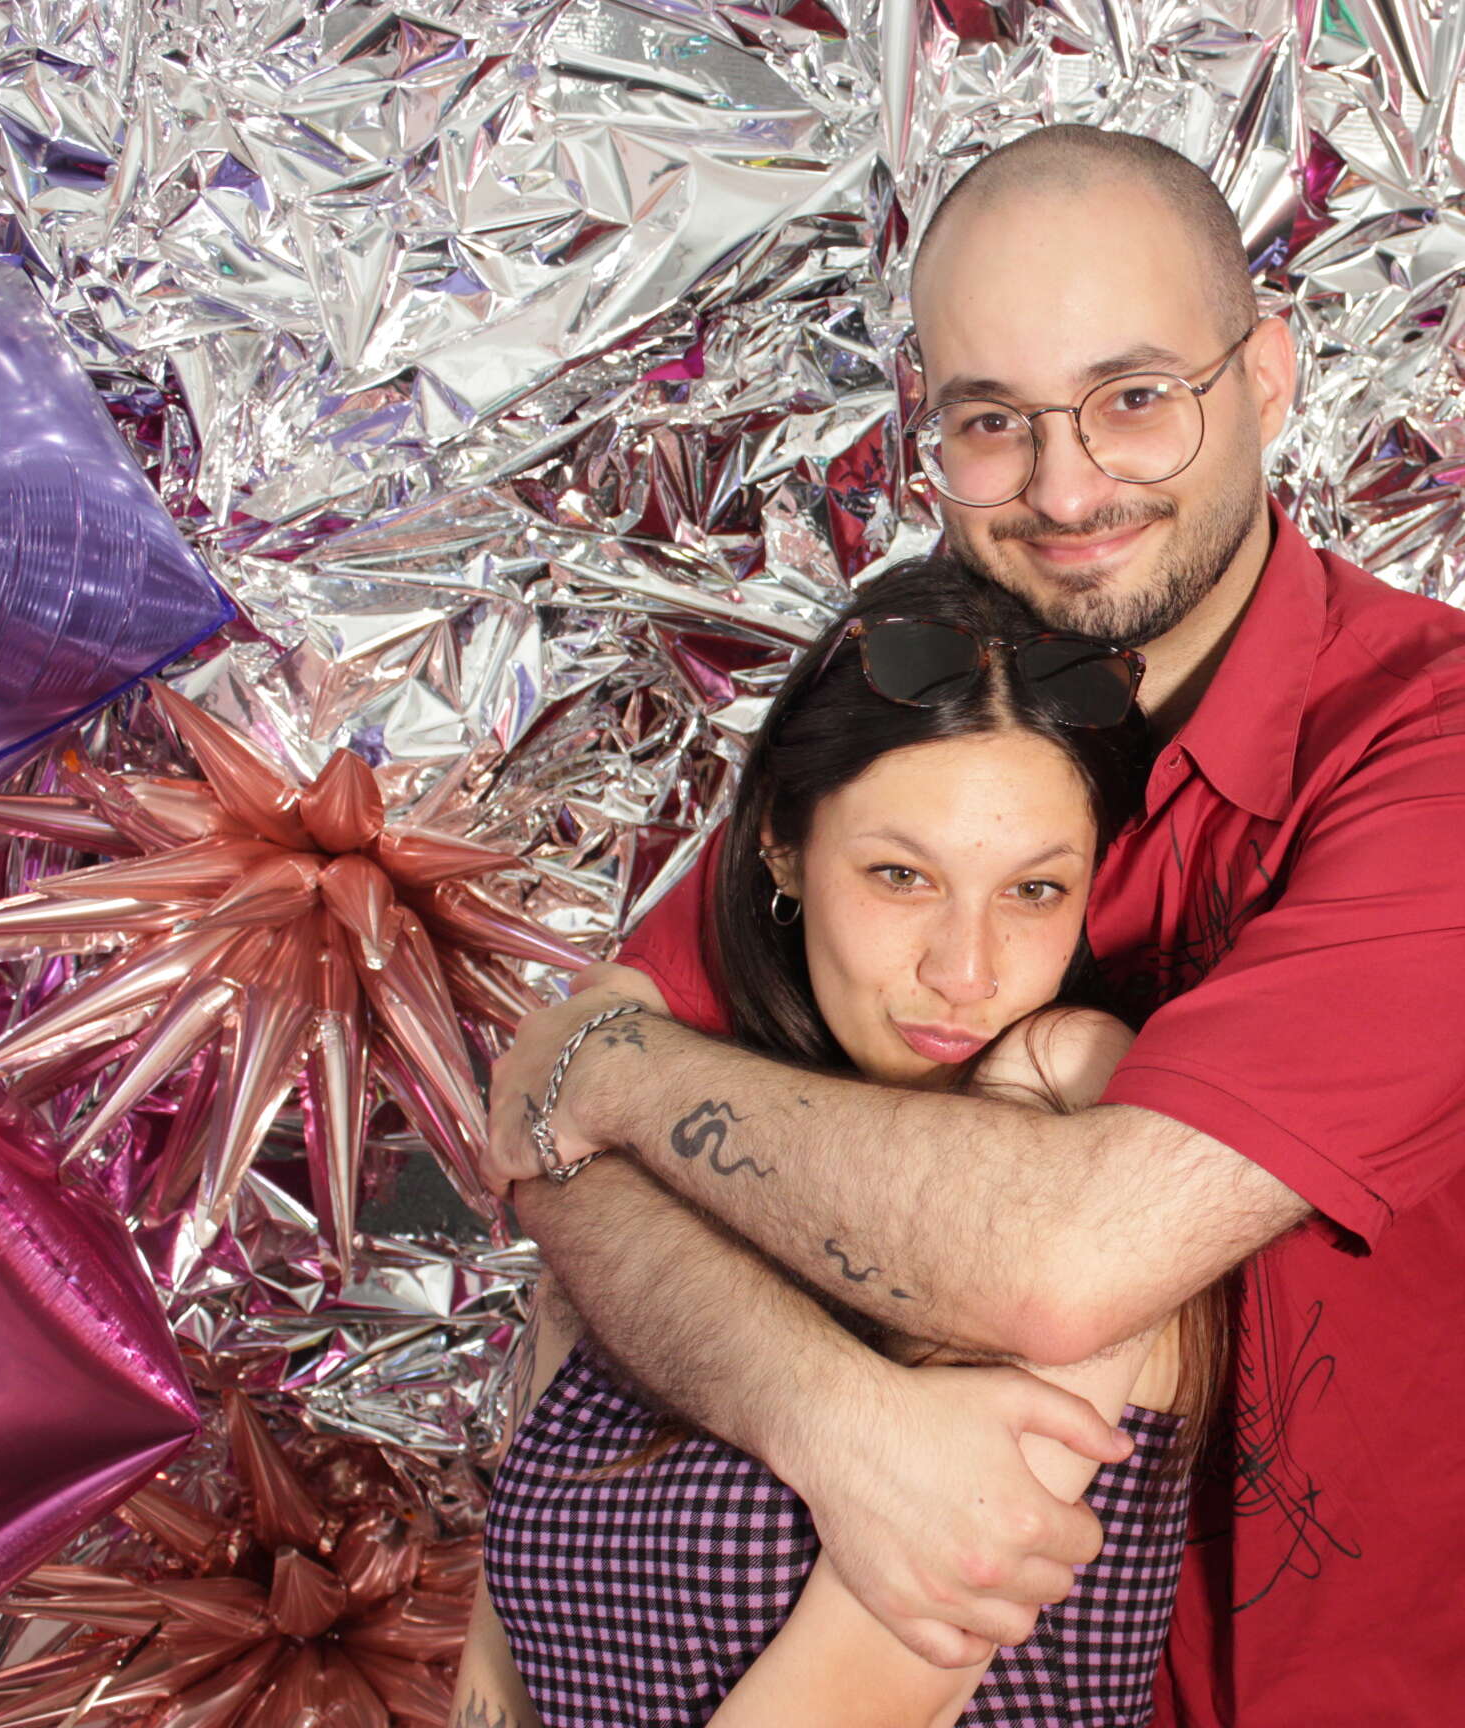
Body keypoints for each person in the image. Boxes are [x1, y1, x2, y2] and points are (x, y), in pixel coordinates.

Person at [485, 123, 1465, 1725]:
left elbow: (1057, 1267)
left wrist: (625, 1083)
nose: (1066, 488)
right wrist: (830, 1419)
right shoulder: (928, 701)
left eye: (1134, 397)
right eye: (993, 421)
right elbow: (539, 1117)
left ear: (1267, 374)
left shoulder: (1461, 753)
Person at [451, 557, 1218, 1727]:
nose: (965, 971)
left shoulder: (1074, 1098)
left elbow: (858, 1696)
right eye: (901, 876)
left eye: (1034, 891)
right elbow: (499, 1662)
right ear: (781, 849)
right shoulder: (653, 1166)